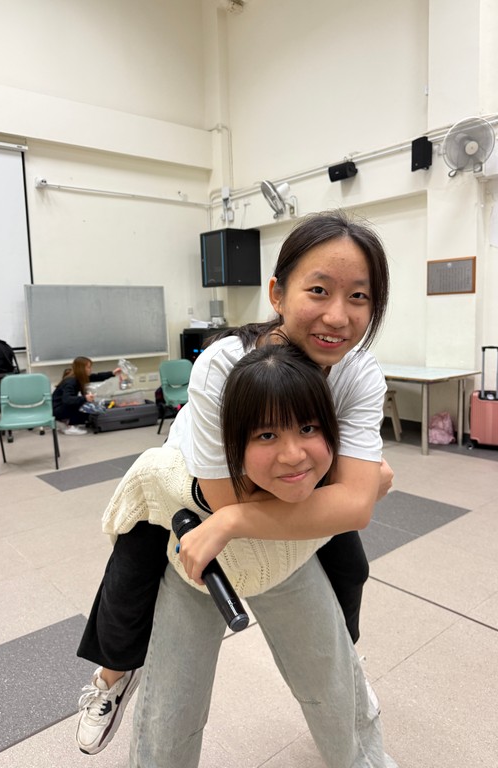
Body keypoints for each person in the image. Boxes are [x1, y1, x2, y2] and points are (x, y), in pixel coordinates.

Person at [75, 209, 393, 754]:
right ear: (277, 293)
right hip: (189, 502)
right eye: (318, 290)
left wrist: (242, 519)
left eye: (359, 296)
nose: (338, 315)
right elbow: (224, 497)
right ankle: (114, 674)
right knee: (133, 591)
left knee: (349, 575)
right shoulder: (227, 363)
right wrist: (338, 492)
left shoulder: (358, 372)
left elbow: (355, 507)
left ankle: (349, 668)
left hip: (261, 515)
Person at [97, 343, 395, 767]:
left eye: (309, 428)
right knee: (169, 706)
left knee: (335, 673)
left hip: (289, 558)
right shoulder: (184, 457)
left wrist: (352, 495)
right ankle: (114, 676)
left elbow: (354, 501)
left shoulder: (353, 379)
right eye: (267, 435)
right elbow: (138, 502)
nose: (292, 453)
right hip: (196, 562)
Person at [52, 356, 121, 435]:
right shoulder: (70, 381)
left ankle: (65, 421)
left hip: (60, 407)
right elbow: (67, 400)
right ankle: (67, 425)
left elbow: (97, 376)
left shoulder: (78, 377)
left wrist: (112, 373)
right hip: (57, 410)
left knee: (87, 407)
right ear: (81, 369)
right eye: (88, 367)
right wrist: (85, 398)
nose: (90, 369)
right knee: (85, 406)